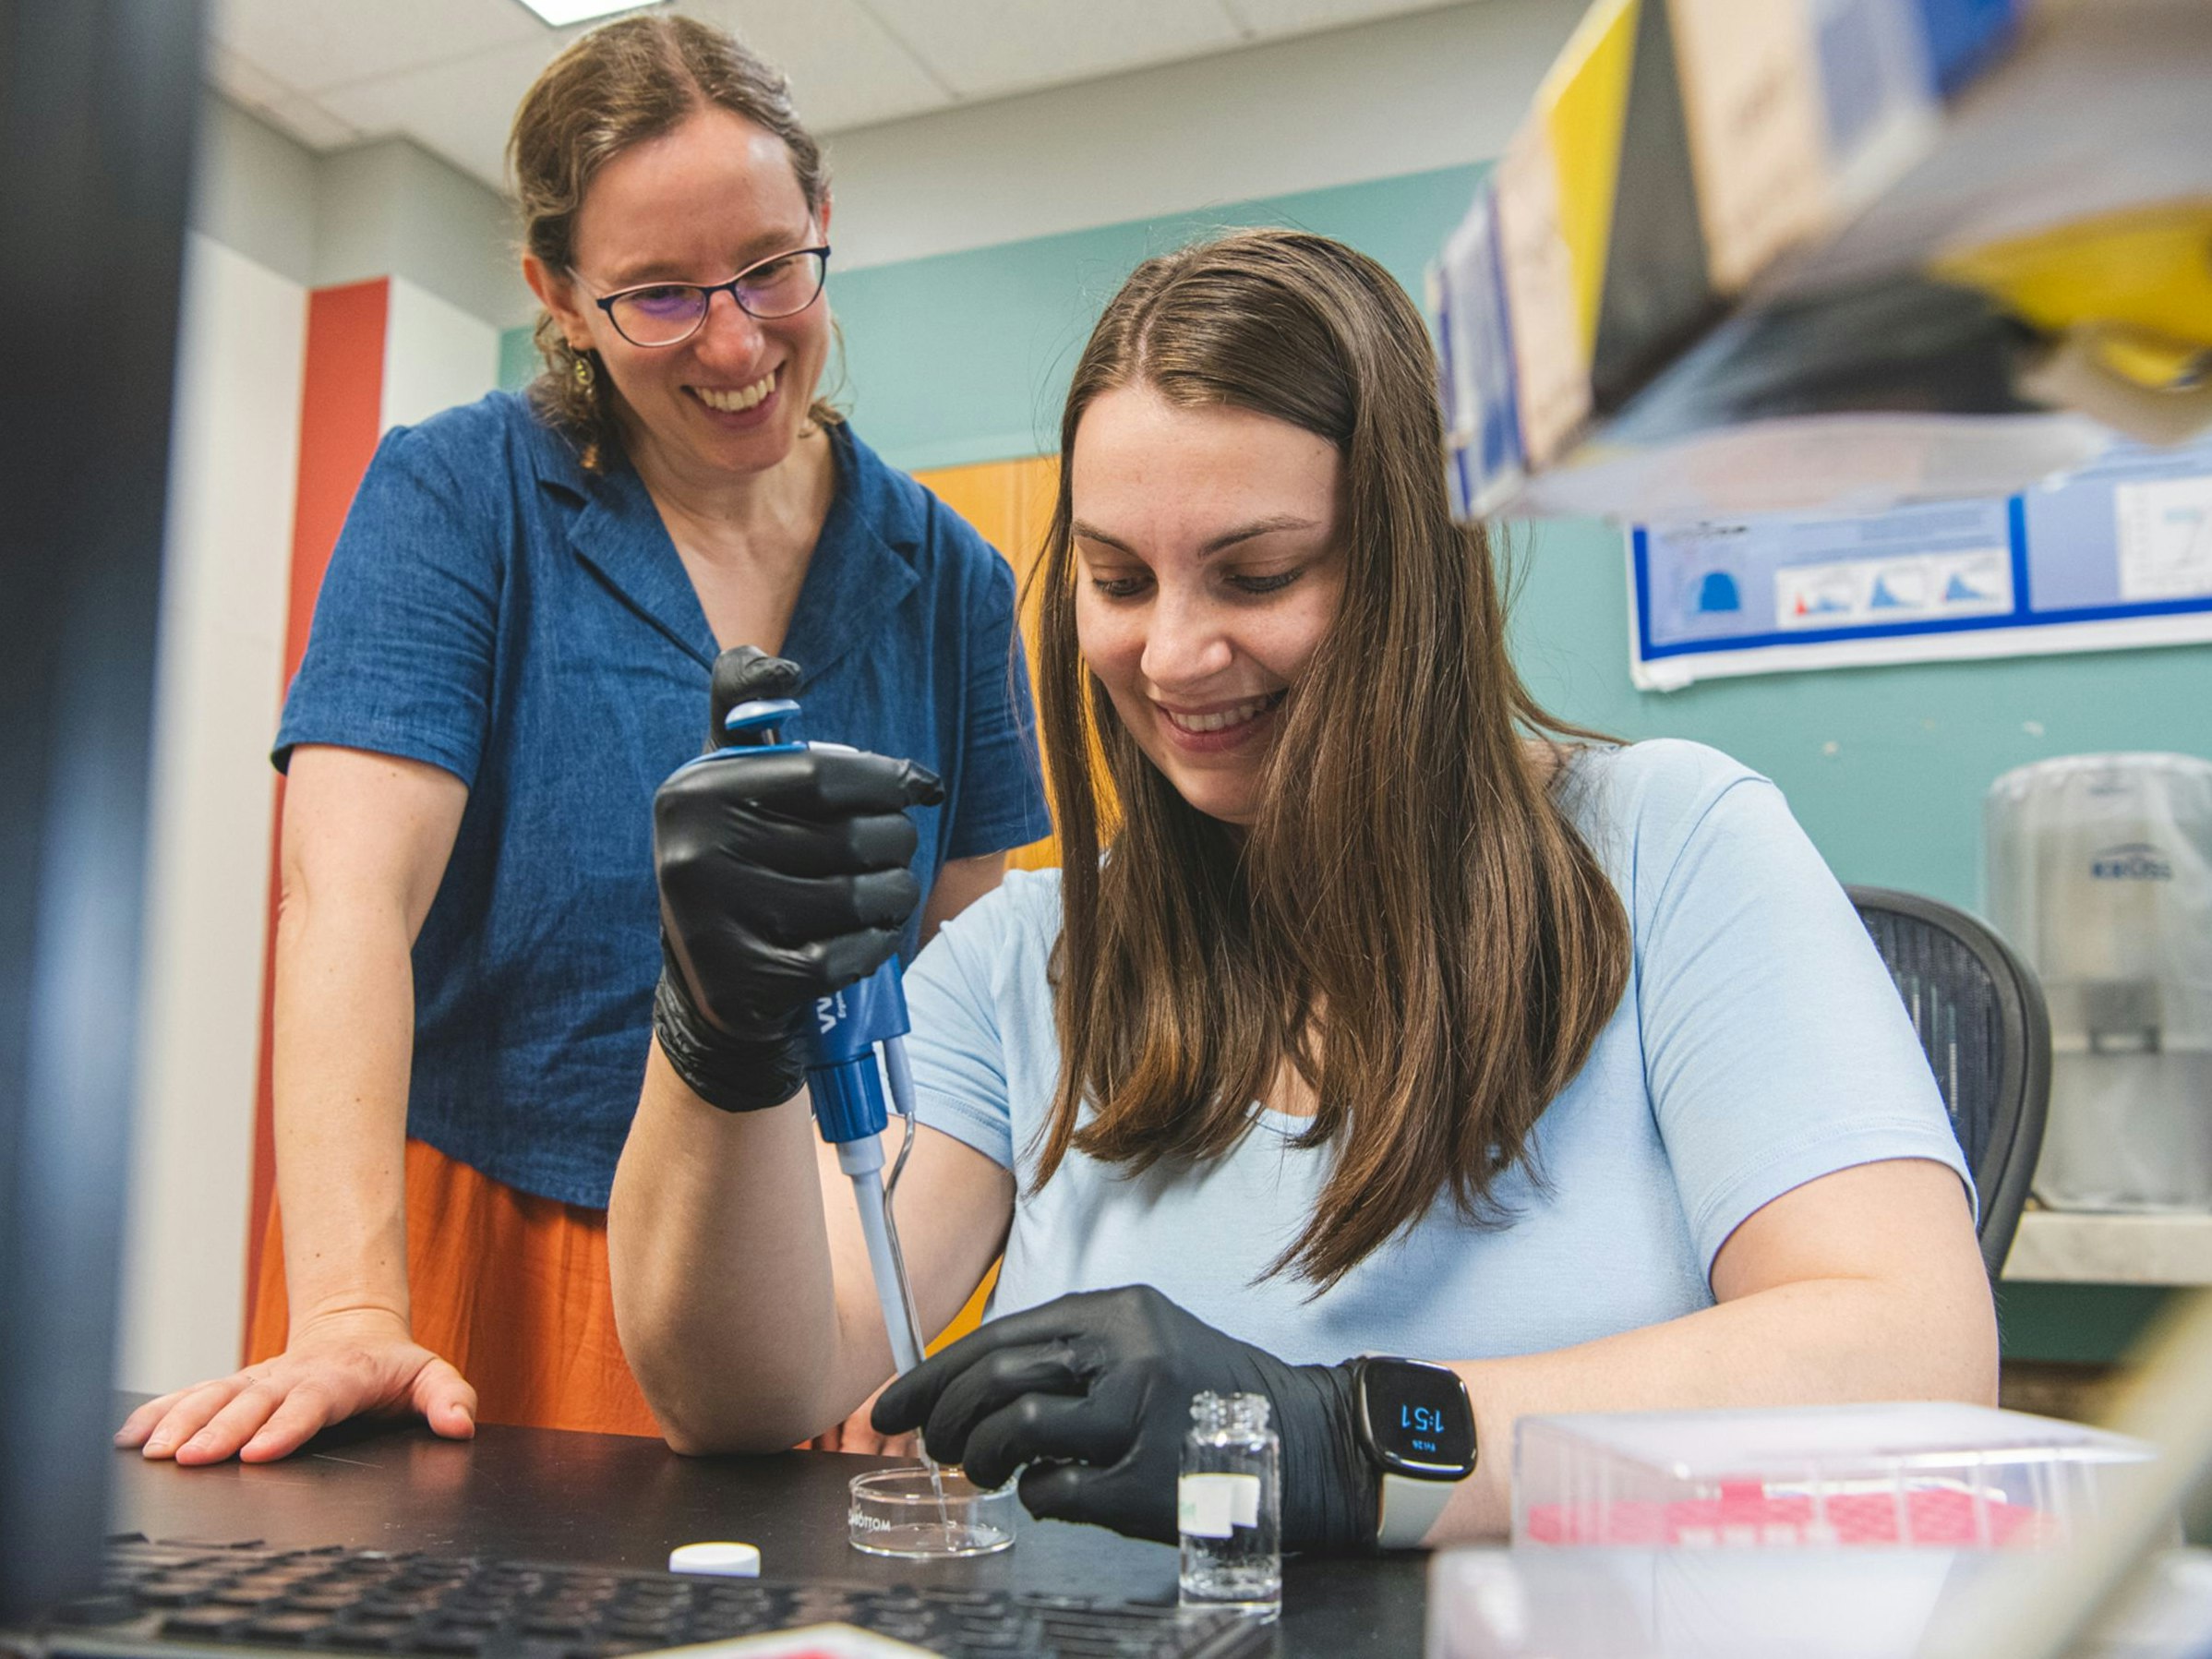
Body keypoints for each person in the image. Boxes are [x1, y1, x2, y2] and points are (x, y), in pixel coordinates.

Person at [609, 228, 1998, 1548]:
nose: (1174, 655)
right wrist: (720, 1036)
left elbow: (1918, 1362)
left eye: (1256, 572)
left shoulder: (1670, 848)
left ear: (1412, 566)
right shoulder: (1022, 964)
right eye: (1118, 578)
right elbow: (746, 1391)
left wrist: (1343, 1440)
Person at [116, 15, 1049, 1467]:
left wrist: (898, 1310)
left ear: (821, 222)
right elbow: (345, 903)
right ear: (557, 294)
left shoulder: (953, 582)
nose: (735, 341)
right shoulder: (460, 498)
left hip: (811, 1257)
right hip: (484, 1247)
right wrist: (356, 1304)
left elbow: (978, 993)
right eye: (659, 296)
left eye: (765, 270)